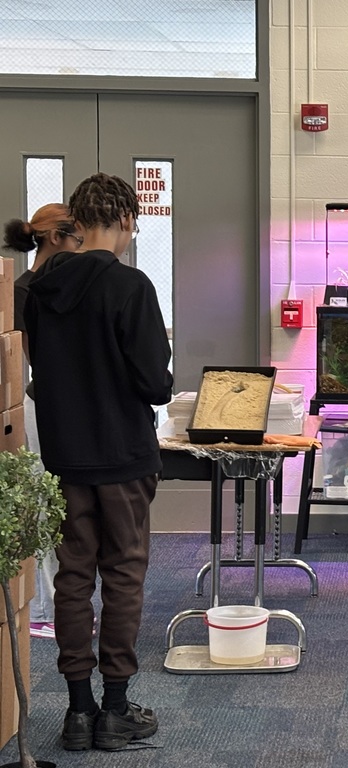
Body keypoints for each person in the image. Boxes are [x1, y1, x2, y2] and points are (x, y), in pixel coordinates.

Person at [25, 172, 173, 751]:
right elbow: (156, 386)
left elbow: (38, 373)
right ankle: (115, 708)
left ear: (77, 223)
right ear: (127, 222)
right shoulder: (131, 287)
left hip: (66, 458)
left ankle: (78, 711)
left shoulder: (38, 291)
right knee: (124, 577)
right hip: (124, 458)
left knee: (73, 578)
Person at [3, 204, 83, 640]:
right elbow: (38, 362)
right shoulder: (24, 291)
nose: (79, 249)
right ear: (56, 238)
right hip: (37, 407)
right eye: (76, 240)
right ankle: (50, 610)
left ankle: (64, 607)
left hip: (66, 407)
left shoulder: (65, 286)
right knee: (44, 506)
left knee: (69, 508)